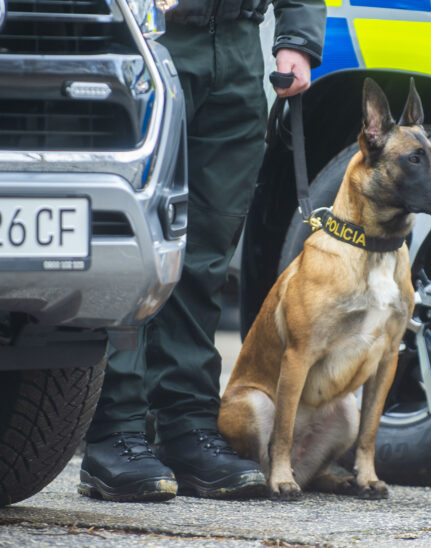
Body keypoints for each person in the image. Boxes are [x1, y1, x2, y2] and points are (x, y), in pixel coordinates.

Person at [78, 0, 326, 502]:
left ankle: (188, 425)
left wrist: (297, 36)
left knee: (205, 258)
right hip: (148, 39)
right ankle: (116, 431)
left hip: (236, 46)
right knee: (132, 246)